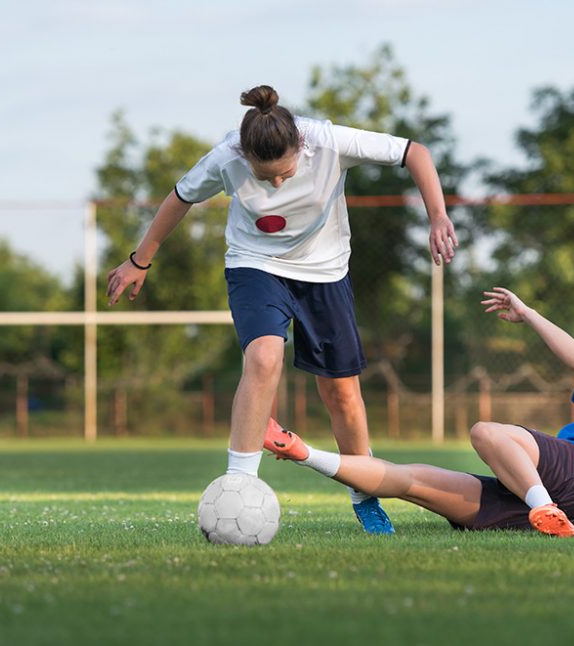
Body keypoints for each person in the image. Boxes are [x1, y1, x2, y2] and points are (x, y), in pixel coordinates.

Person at [106, 85, 458, 534]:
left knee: (341, 393)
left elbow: (416, 152)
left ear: (302, 148)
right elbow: (181, 197)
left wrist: (438, 215)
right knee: (263, 356)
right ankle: (239, 485)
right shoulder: (226, 158)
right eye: (264, 175)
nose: (275, 183)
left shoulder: (328, 141)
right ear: (245, 158)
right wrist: (140, 260)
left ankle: (364, 495)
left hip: (325, 272)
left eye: (284, 174)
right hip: (255, 266)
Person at [264, 286, 574, 537]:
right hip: (566, 506)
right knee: (411, 480)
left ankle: (542, 506)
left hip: (557, 494)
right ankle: (304, 452)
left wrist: (529, 314)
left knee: (487, 432)